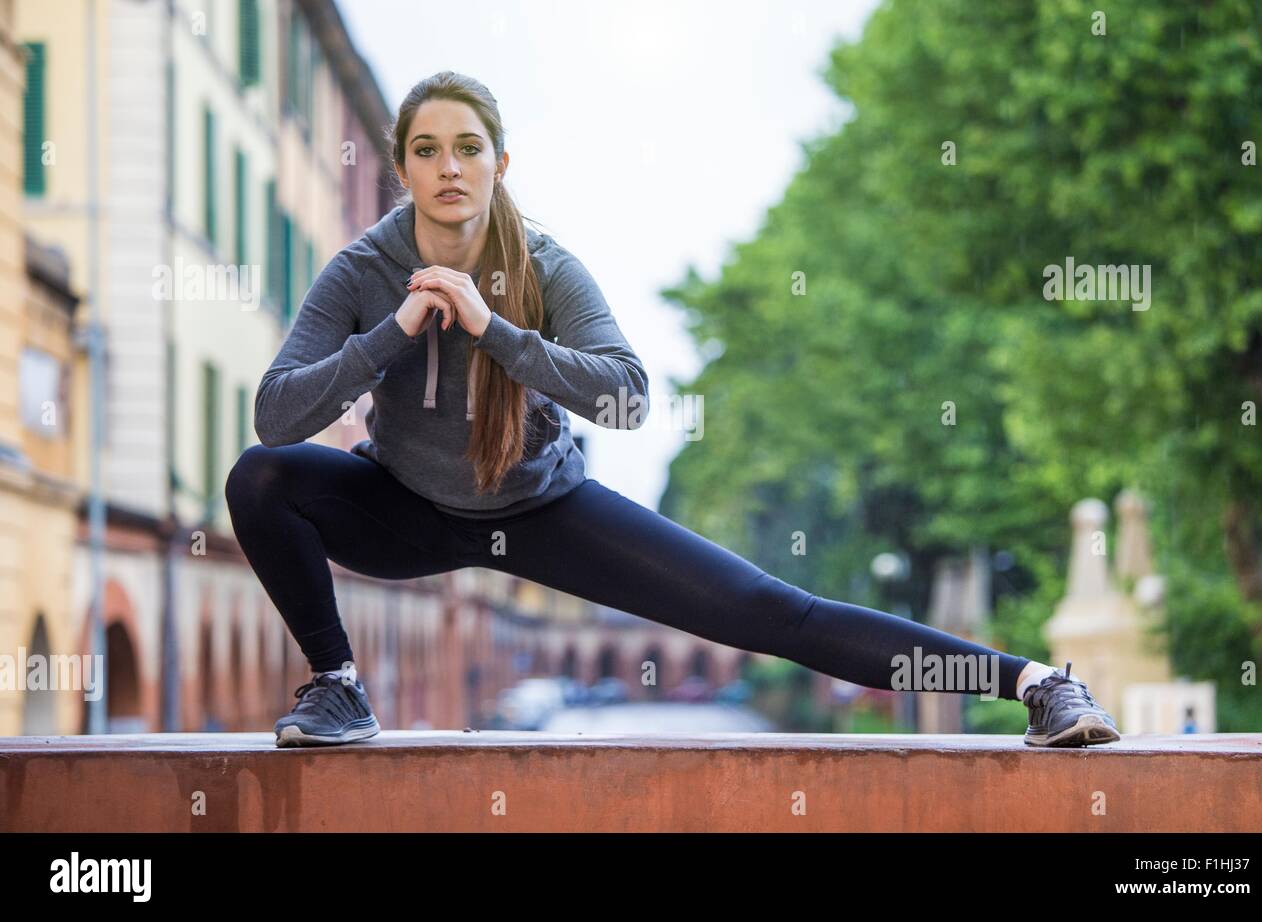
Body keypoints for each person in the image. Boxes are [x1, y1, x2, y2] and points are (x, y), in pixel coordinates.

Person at [225, 71, 1120, 750]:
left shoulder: (547, 269)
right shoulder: (361, 272)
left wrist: (494, 329)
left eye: (468, 147)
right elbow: (276, 415)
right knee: (262, 478)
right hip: (403, 511)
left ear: (501, 162)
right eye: (427, 149)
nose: (449, 167)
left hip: (540, 511)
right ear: (402, 166)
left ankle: (1040, 686)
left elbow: (627, 397)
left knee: (774, 612)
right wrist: (394, 330)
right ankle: (336, 685)